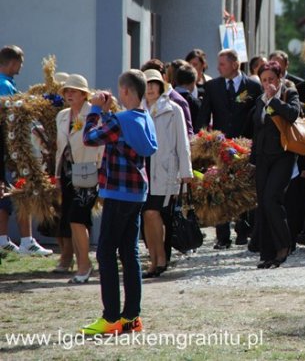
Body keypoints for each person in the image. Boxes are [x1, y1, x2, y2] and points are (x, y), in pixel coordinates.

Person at [79, 70, 158, 336]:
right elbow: (120, 135)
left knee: (105, 253)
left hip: (117, 194)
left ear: (124, 91)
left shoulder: (119, 120)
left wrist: (94, 110)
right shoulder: (143, 118)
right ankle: (131, 318)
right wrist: (107, 112)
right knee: (129, 254)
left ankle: (111, 317)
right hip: (137, 194)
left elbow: (89, 138)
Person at [196, 49, 262, 248]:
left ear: (235, 64)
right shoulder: (212, 86)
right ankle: (222, 236)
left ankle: (243, 231)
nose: (218, 67)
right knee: (220, 188)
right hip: (220, 147)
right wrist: (201, 140)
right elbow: (204, 115)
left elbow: (257, 116)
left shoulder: (253, 86)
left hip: (245, 145)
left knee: (243, 186)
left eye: (222, 64)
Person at [0, 45, 53, 256]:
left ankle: (3, 239)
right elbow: (10, 118)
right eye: (20, 62)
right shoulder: (4, 85)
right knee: (24, 189)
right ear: (13, 62)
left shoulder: (5, 83)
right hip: (13, 148)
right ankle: (26, 241)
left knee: (4, 192)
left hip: (5, 148)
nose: (21, 66)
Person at [140, 70, 192, 278]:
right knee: (146, 215)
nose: (151, 87)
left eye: (155, 83)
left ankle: (161, 258)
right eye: (147, 84)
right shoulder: (138, 109)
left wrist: (186, 172)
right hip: (143, 169)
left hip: (164, 169)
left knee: (154, 213)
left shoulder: (173, 109)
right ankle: (153, 260)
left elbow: (182, 142)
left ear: (161, 86)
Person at [251, 60, 300, 268]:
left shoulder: (289, 93)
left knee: (272, 198)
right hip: (263, 157)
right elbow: (257, 128)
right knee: (263, 202)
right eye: (264, 80)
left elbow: (293, 114)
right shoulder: (260, 99)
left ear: (279, 79)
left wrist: (274, 100)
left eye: (271, 79)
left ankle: (284, 246)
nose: (268, 83)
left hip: (283, 154)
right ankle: (267, 252)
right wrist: (252, 159)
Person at [55, 74, 104, 282]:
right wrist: (57, 175)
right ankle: (81, 263)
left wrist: (100, 171)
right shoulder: (62, 116)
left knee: (78, 218)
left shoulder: (93, 114)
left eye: (73, 91)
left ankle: (85, 265)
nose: (69, 94)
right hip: (67, 172)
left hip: (88, 170)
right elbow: (60, 148)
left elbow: (101, 145)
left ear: (84, 95)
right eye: (67, 91)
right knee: (72, 219)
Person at [141, 60, 193, 138]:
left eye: (153, 82)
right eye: (146, 82)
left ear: (164, 78)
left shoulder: (177, 102)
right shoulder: (141, 104)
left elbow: (187, 135)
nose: (150, 87)